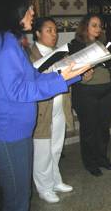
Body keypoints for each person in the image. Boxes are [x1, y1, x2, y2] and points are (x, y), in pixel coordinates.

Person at [0, 0, 89, 211]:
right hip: (9, 131)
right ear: (13, 11)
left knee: (20, 194)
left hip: (18, 129)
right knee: (17, 198)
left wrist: (67, 76)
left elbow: (33, 76)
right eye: (28, 7)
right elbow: (18, 90)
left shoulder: (11, 42)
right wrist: (61, 79)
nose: (33, 12)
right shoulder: (5, 45)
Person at [28, 17, 86, 203]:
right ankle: (43, 187)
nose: (54, 34)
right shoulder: (30, 55)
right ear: (37, 33)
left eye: (55, 30)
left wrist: (81, 73)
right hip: (42, 110)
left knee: (55, 149)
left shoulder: (59, 54)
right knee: (42, 151)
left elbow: (65, 78)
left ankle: (55, 180)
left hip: (59, 106)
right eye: (49, 30)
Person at [70, 14, 111, 177]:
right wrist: (81, 76)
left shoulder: (103, 45)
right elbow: (71, 71)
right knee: (89, 130)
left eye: (99, 25)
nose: (98, 28)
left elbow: (110, 67)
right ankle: (90, 163)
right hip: (86, 93)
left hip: (106, 91)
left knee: (103, 129)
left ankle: (102, 159)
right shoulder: (76, 45)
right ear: (85, 26)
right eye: (94, 25)